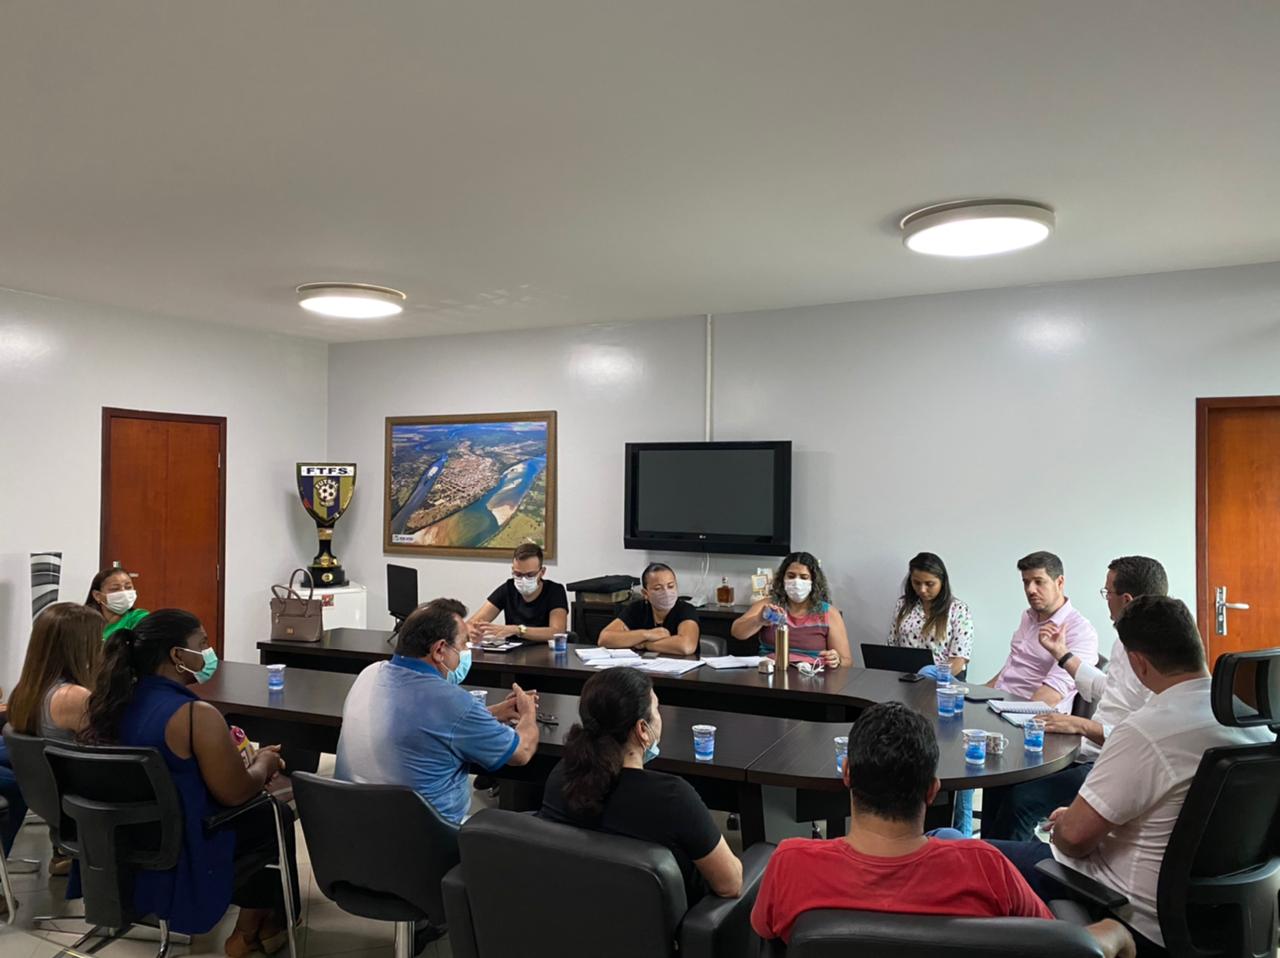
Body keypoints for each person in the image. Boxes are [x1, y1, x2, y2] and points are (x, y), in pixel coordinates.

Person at [989, 596, 1272, 953]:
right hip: (1224, 924)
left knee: (970, 855)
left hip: (1128, 914)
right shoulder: (1257, 726)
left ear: (1138, 662)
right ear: (1196, 643)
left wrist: (1065, 825)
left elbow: (1073, 840)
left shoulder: (1147, 731)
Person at [749, 702, 1134, 957]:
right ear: (933, 790)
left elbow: (765, 934)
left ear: (847, 774)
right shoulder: (985, 866)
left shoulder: (790, 862)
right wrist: (1112, 932)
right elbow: (1054, 945)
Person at [82, 610, 298, 956]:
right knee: (273, 813)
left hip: (122, 836)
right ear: (177, 655)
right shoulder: (195, 714)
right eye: (203, 643)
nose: (209, 652)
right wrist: (264, 762)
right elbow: (235, 792)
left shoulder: (111, 703)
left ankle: (260, 927)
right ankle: (252, 929)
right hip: (186, 841)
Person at [983, 557, 1168, 841]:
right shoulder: (1124, 641)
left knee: (1021, 801)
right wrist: (1062, 654)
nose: (1106, 600)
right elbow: (1109, 688)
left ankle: (1010, 865)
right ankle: (988, 856)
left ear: (1127, 600)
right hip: (1086, 751)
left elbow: (1144, 739)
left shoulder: (1155, 657)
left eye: (1107, 593)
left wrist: (1081, 725)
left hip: (1111, 762)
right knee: (1001, 779)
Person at [540, 668, 742, 903]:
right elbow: (730, 884)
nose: (659, 716)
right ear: (643, 730)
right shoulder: (673, 798)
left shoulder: (561, 776)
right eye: (656, 709)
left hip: (570, 912)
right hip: (671, 924)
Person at [336, 598, 540, 824]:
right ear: (440, 649)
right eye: (463, 644)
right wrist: (528, 713)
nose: (465, 652)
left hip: (349, 828)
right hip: (424, 836)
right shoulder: (451, 701)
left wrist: (491, 713)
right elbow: (521, 752)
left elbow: (428, 722)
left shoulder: (370, 673)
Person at [6, 602, 105, 875]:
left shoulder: (26, 690)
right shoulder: (73, 697)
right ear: (79, 646)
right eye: (98, 640)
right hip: (80, 804)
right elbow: (108, 751)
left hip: (52, 800)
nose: (103, 647)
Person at [983, 551, 1098, 711]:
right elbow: (1011, 670)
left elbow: (1050, 697)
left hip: (1030, 717)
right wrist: (977, 693)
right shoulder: (1028, 616)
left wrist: (1002, 713)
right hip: (1000, 703)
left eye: (1039, 582)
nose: (1030, 590)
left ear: (1059, 582)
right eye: (1026, 582)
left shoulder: (1080, 631)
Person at [731, 552, 852, 668]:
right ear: (782, 578)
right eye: (791, 576)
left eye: (804, 577)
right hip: (772, 671)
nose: (796, 582)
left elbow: (847, 661)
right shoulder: (769, 605)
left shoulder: (829, 613)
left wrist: (836, 660)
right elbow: (737, 632)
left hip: (812, 674)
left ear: (813, 582)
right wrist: (759, 620)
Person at [887, 552, 973, 677]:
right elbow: (892, 646)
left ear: (942, 582)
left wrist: (934, 678)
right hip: (907, 679)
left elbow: (959, 660)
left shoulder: (958, 610)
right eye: (916, 583)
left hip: (943, 681)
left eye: (929, 584)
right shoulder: (903, 605)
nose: (922, 590)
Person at [467, 542, 569, 643]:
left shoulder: (555, 591)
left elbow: (557, 632)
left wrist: (518, 630)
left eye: (530, 575)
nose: (523, 579)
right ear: (512, 570)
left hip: (545, 651)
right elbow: (471, 624)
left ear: (542, 572)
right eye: (518, 574)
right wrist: (473, 632)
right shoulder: (508, 588)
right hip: (513, 651)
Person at [598, 563, 700, 657]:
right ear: (645, 593)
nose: (666, 592)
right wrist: (647, 634)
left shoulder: (686, 609)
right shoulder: (636, 608)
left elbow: (686, 646)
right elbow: (604, 639)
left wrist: (645, 644)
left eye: (670, 586)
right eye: (658, 588)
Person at [85, 567, 147, 639]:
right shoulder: (85, 621)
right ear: (97, 595)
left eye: (128, 587)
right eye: (115, 589)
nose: (124, 592)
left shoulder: (140, 618)